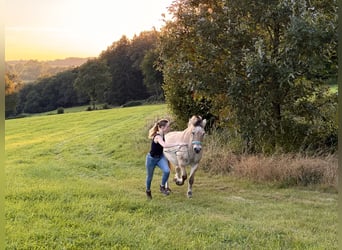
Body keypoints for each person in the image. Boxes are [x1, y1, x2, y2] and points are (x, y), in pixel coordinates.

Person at [145, 119, 185, 200]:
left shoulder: (163, 135)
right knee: (150, 177)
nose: (169, 128)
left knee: (167, 171)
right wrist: (178, 144)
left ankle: (162, 186)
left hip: (160, 158)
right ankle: (148, 190)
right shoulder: (157, 136)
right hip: (151, 159)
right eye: (168, 126)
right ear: (162, 127)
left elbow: (164, 147)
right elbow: (164, 145)